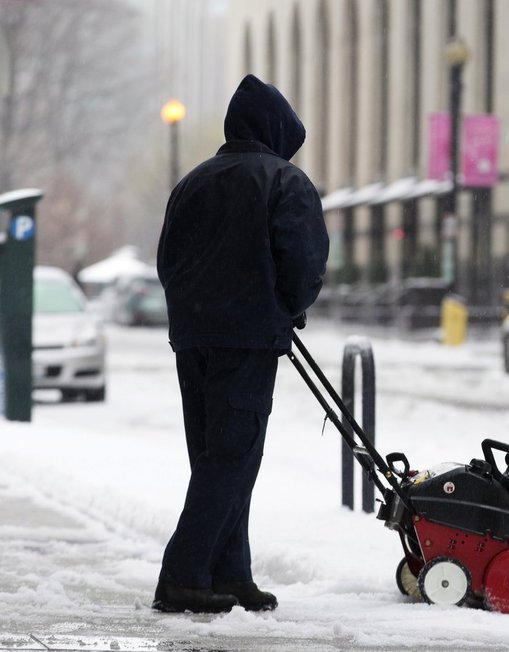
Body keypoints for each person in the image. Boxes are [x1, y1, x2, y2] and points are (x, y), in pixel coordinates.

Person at [153, 74, 329, 614]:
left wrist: (195, 312)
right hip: (246, 341)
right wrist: (287, 306)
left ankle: (230, 573)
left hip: (194, 339)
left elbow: (167, 262)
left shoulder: (193, 182)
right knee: (232, 457)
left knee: (215, 457)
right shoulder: (285, 182)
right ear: (276, 131)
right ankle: (182, 577)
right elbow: (302, 261)